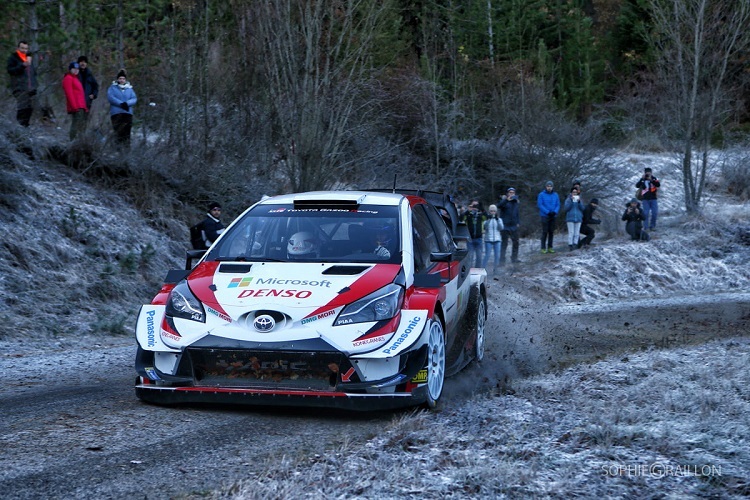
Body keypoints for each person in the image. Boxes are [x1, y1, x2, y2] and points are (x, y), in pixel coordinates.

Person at [6, 41, 38, 127]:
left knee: (29, 109)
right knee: (22, 108)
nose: (24, 50)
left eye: (26, 48)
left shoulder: (29, 58)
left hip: (30, 88)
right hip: (19, 88)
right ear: (18, 48)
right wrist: (22, 65)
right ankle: (19, 127)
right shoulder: (13, 58)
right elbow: (10, 71)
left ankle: (25, 128)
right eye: (22, 48)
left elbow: (33, 73)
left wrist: (35, 86)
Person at [107, 69, 137, 146]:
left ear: (125, 79)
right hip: (116, 113)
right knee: (118, 132)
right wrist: (121, 104)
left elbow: (134, 99)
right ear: (117, 79)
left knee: (127, 133)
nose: (121, 80)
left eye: (123, 78)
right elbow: (111, 97)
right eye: (120, 78)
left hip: (127, 113)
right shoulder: (112, 88)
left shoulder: (130, 89)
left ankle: (126, 150)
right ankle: (118, 149)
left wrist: (127, 103)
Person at [62, 62, 88, 141]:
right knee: (76, 124)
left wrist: (84, 107)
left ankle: (80, 141)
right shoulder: (68, 78)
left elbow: (80, 95)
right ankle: (72, 140)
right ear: (70, 69)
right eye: (74, 69)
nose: (76, 71)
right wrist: (74, 106)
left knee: (81, 125)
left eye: (77, 69)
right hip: (76, 106)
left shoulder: (76, 79)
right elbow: (69, 93)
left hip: (81, 105)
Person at [498, 187, 520, 265]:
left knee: (516, 242)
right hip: (505, 225)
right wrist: (507, 200)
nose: (511, 194)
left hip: (514, 225)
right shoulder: (504, 201)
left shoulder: (516, 202)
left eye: (513, 193)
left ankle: (514, 258)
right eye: (510, 192)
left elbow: (517, 213)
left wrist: (518, 222)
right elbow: (499, 206)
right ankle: (502, 260)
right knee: (504, 243)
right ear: (507, 193)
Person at [537, 180, 560, 254]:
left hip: (553, 215)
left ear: (552, 187)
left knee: (551, 232)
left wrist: (555, 212)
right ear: (546, 187)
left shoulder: (555, 195)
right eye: (548, 186)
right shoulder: (541, 194)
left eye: (550, 186)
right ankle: (543, 248)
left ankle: (550, 247)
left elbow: (558, 204)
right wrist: (547, 212)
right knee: (545, 232)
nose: (549, 188)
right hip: (545, 215)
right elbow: (540, 205)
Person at [461, 200, 485, 267]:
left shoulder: (480, 215)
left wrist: (481, 208)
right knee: (470, 256)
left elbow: (487, 217)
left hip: (479, 238)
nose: (475, 207)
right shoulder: (468, 214)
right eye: (473, 205)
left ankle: (477, 270)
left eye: (476, 205)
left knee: (479, 256)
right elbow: (461, 218)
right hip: (470, 239)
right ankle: (469, 270)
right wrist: (468, 210)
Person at [481, 204, 503, 276]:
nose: (493, 212)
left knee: (497, 255)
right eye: (491, 211)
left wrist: (497, 220)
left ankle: (496, 270)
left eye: (494, 211)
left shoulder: (499, 219)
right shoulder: (487, 220)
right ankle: (482, 269)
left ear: (496, 212)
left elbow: (501, 228)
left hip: (497, 239)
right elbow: (485, 228)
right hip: (488, 239)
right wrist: (488, 220)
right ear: (489, 211)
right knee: (487, 255)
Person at [77, 56, 99, 125]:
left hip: (87, 102)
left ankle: (82, 134)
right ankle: (75, 135)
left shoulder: (89, 74)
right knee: (77, 119)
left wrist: (94, 95)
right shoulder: (76, 74)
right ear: (78, 63)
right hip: (77, 101)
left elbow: (95, 86)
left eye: (84, 62)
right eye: (81, 62)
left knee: (84, 120)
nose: (83, 63)